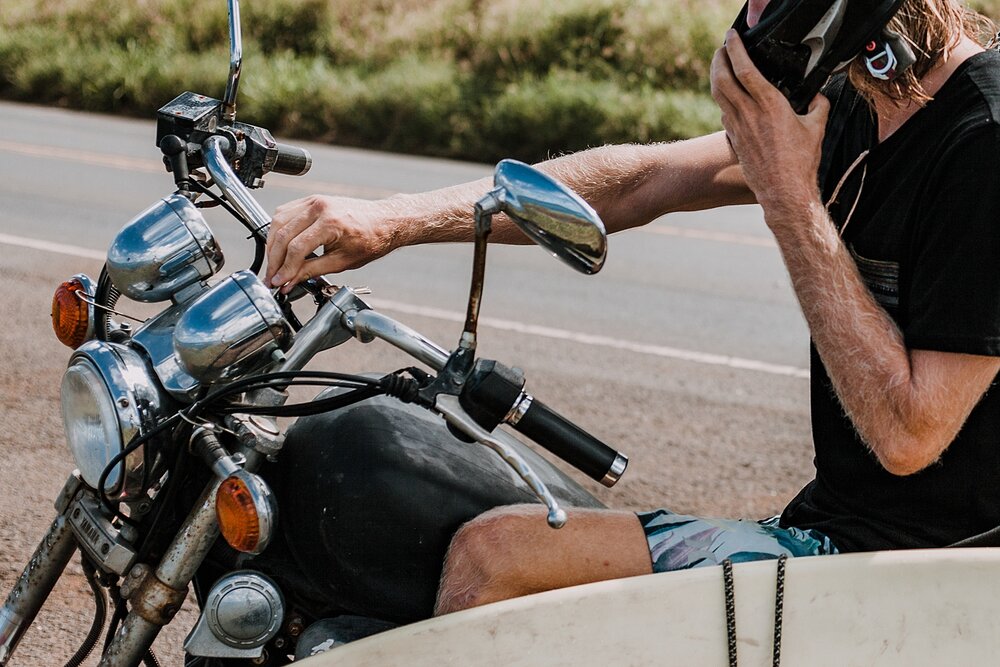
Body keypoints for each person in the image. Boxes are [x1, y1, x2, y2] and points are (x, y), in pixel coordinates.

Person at [265, 0, 1000, 616]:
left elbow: (911, 432)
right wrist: (395, 219)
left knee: (498, 558)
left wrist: (790, 197)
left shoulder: (983, 139)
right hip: (832, 530)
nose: (749, 14)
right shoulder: (857, 100)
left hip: (918, 581)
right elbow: (644, 179)